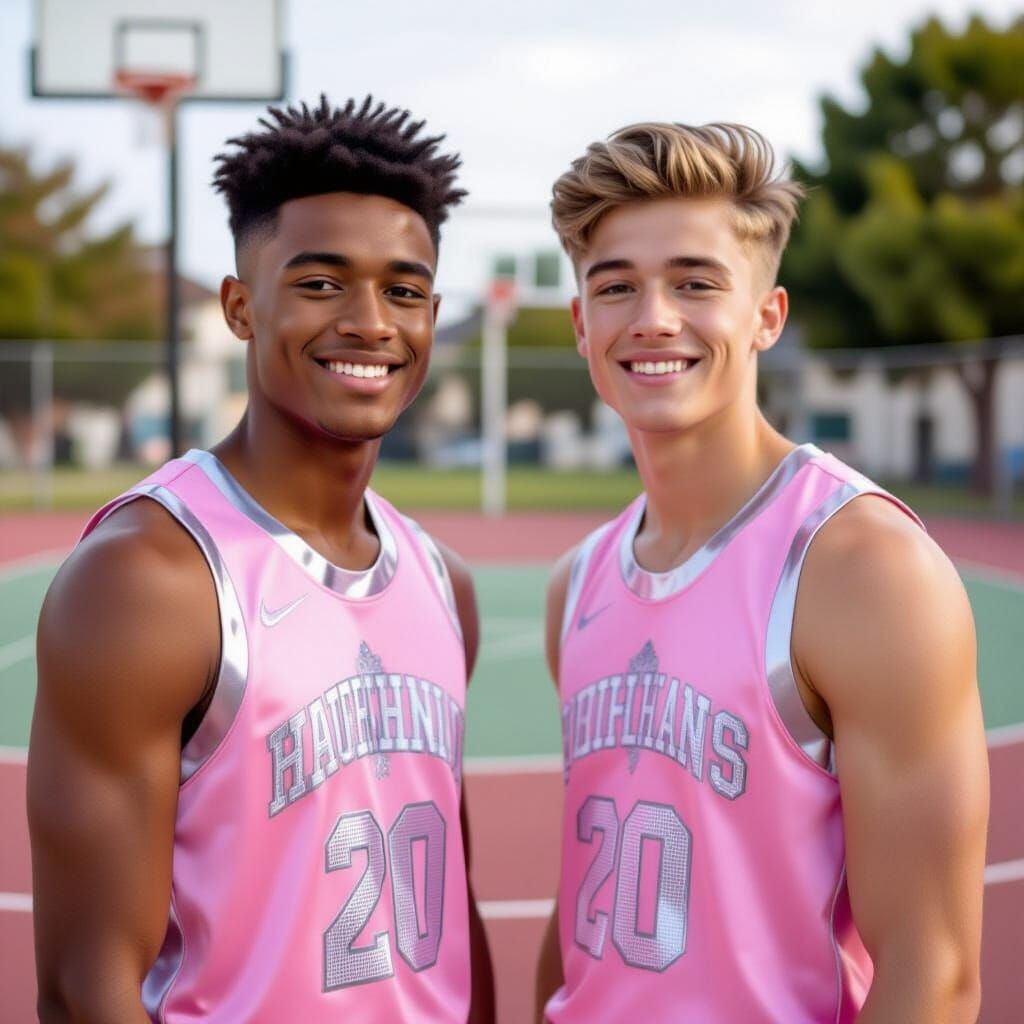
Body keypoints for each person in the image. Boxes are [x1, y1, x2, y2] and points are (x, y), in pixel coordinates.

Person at [29, 96, 494, 1023]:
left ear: (433, 317)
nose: (370, 321)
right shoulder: (150, 580)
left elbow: (453, 913)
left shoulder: (446, 583)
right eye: (321, 284)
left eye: (403, 291)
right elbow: (85, 988)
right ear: (242, 306)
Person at [534, 122, 988, 1023]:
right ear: (583, 326)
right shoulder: (577, 583)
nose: (653, 317)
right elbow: (583, 906)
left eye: (695, 283)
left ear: (765, 317)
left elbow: (932, 973)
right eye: (616, 286)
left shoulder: (862, 566)